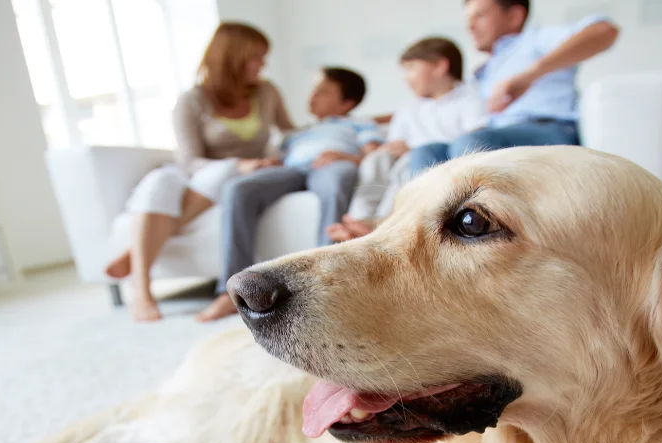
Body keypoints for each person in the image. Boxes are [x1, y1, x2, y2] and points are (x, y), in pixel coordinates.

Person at [104, 22, 295, 322]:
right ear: (233, 57)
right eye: (256, 56)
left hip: (242, 177)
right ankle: (141, 292)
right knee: (159, 180)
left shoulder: (266, 92)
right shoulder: (191, 100)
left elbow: (289, 133)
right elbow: (190, 161)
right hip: (202, 175)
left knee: (226, 175)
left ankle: (136, 252)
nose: (263, 64)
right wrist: (239, 163)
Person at [196, 67, 382, 322]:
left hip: (332, 164)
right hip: (291, 169)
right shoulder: (297, 134)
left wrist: (346, 157)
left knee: (338, 178)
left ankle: (326, 282)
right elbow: (280, 156)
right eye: (314, 89)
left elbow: (374, 153)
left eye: (323, 91)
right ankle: (229, 293)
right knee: (238, 188)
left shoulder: (360, 123)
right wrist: (267, 163)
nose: (313, 95)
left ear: (347, 102)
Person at [407, 0, 619, 175]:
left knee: (473, 143)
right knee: (425, 153)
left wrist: (529, 75)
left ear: (514, 16)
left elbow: (604, 31)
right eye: (468, 19)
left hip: (548, 130)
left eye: (480, 16)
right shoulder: (483, 72)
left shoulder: (533, 41)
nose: (470, 26)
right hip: (493, 136)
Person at [327, 37, 486, 242]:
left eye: (411, 68)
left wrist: (410, 150)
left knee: (406, 164)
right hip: (403, 156)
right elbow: (394, 141)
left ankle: (384, 223)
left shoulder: (469, 98)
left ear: (439, 66)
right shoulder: (409, 107)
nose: (406, 78)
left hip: (433, 160)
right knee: (377, 160)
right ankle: (358, 219)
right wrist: (390, 148)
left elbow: (474, 140)